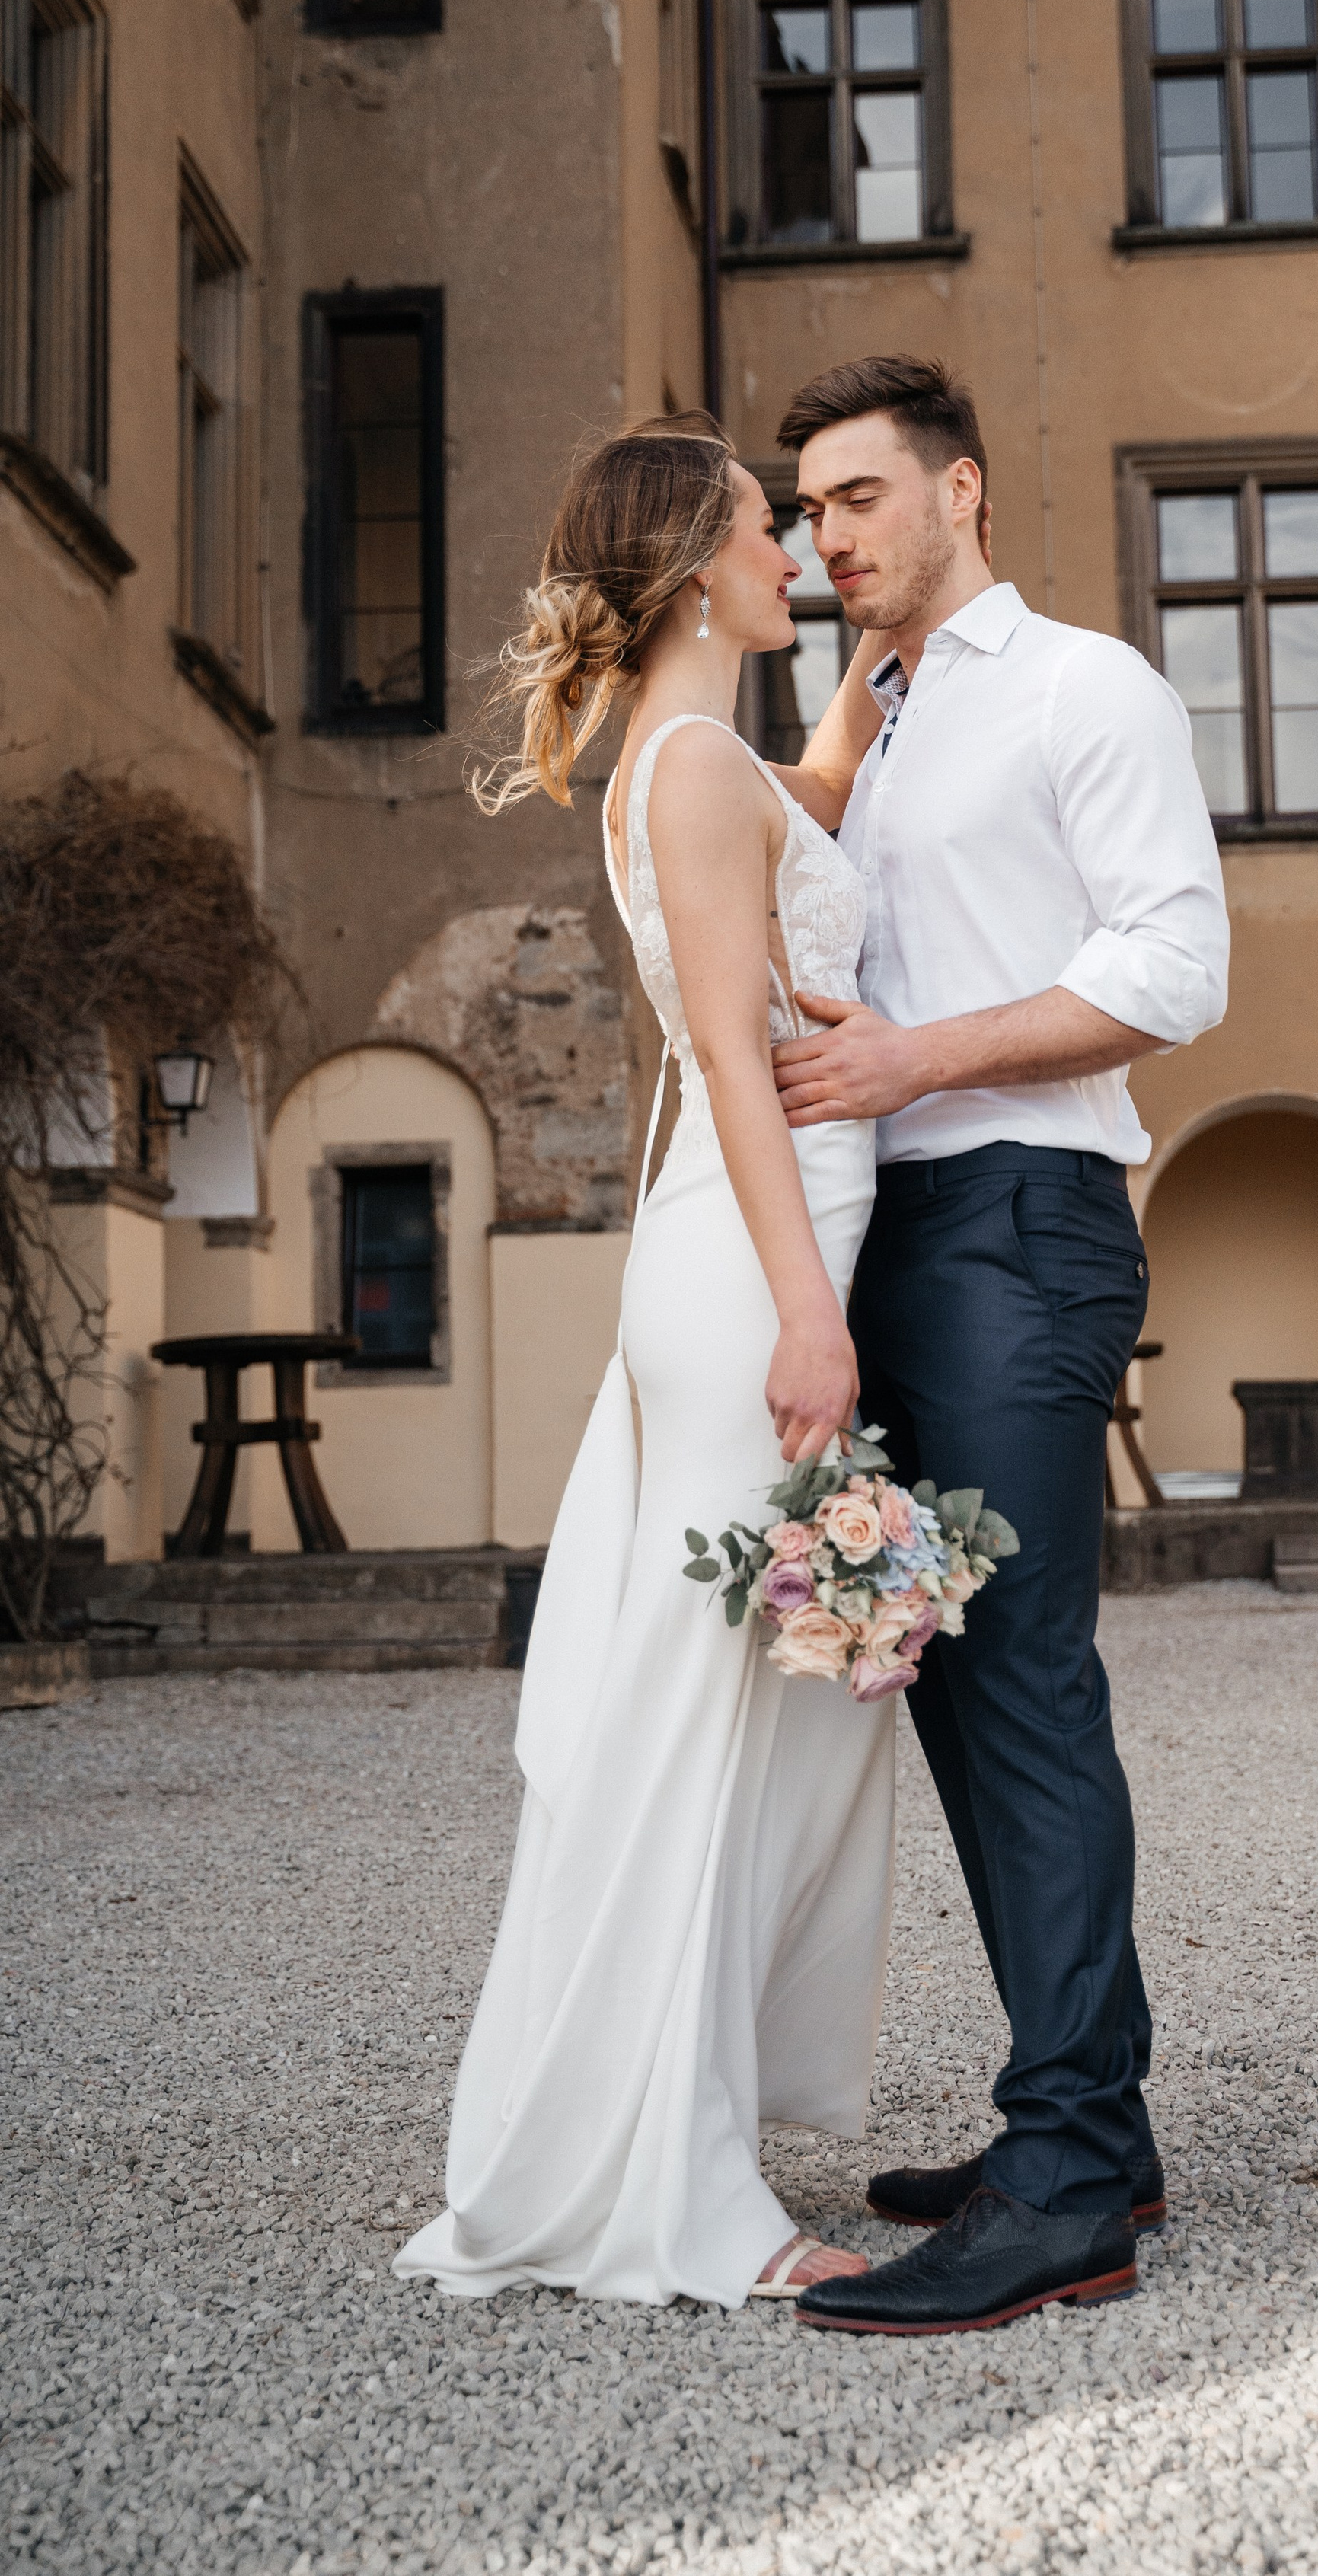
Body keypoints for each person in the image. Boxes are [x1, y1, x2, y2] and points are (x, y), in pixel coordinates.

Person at [395, 413, 898, 2309]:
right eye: (776, 531)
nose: (800, 554)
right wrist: (808, 1310)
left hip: (767, 1250)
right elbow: (730, 1059)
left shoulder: (707, 762)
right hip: (749, 1269)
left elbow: (811, 820)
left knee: (763, 1712)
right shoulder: (687, 769)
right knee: (698, 1728)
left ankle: (645, 2127)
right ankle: (671, 2194)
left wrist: (886, 642)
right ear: (700, 568)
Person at [769, 356, 1230, 2337]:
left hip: (1024, 1222)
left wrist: (911, 1057)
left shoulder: (1083, 688)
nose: (826, 538)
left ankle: (1065, 2185)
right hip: (898, 1247)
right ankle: (1088, 2123)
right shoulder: (879, 720)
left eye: (861, 497)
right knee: (939, 1684)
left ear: (963, 487)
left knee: (1023, 1684)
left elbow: (1176, 965)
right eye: (805, 513)